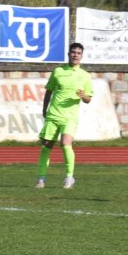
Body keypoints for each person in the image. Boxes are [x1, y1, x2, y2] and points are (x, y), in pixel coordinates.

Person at [35, 42, 93, 189]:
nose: (75, 55)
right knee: (46, 147)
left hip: (70, 117)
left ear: (81, 56)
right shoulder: (58, 71)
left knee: (65, 144)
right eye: (73, 52)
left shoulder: (85, 76)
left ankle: (69, 177)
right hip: (53, 115)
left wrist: (83, 95)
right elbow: (49, 91)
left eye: (78, 53)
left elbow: (88, 100)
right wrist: (45, 109)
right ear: (68, 54)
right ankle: (41, 180)